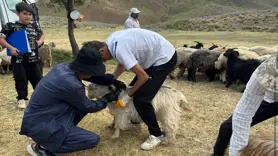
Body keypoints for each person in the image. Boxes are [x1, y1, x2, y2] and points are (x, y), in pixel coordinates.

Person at [19, 46, 126, 156]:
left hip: (36, 118)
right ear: (87, 70)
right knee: (92, 140)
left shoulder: (62, 67)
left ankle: (58, 135)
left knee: (80, 107)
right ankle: (44, 148)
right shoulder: (72, 85)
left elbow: (90, 81)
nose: (95, 74)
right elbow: (89, 106)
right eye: (94, 71)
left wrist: (112, 80)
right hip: (42, 125)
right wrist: (106, 99)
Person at [82, 28, 177, 150]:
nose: (103, 62)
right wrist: (112, 80)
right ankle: (135, 119)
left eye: (101, 59)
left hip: (164, 59)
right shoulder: (111, 42)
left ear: (101, 50)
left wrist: (128, 97)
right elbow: (122, 63)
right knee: (131, 89)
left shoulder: (120, 49)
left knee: (141, 98)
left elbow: (143, 77)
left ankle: (156, 135)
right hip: (153, 57)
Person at [211, 52, 278, 156]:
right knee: (227, 127)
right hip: (272, 99)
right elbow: (243, 114)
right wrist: (236, 153)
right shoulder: (266, 70)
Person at [0, 2, 45, 109]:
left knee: (38, 80)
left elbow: (43, 34)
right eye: (25, 14)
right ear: (18, 13)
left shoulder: (34, 26)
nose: (28, 16)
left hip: (35, 59)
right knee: (21, 79)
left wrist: (40, 41)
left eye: (30, 14)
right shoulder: (10, 26)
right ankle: (21, 99)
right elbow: (1, 39)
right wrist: (11, 48)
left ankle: (40, 99)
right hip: (19, 59)